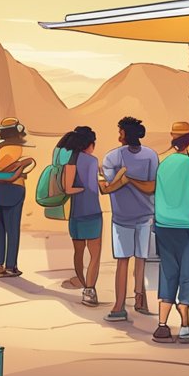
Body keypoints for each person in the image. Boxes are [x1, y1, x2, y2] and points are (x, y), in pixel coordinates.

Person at [60, 126, 126, 307]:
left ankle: (81, 280)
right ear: (90, 144)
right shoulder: (93, 161)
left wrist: (78, 190)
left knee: (79, 252)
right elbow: (101, 186)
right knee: (95, 255)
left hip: (76, 213)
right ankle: (89, 290)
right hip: (93, 213)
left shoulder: (70, 162)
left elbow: (67, 189)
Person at [153, 121, 189, 344]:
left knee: (167, 272)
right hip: (185, 226)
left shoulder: (163, 164)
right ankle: (184, 326)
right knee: (188, 273)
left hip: (163, 226)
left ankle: (162, 326)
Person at [102, 116, 159, 323]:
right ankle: (139, 300)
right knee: (140, 259)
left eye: (120, 132)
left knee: (123, 261)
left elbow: (109, 186)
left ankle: (119, 306)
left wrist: (125, 179)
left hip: (122, 216)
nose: (119, 135)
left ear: (124, 134)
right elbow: (152, 185)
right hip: (145, 214)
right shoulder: (151, 155)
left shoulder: (112, 157)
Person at [0, 117, 34, 278]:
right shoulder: (14, 148)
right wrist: (23, 165)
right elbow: (7, 172)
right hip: (13, 190)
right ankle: (11, 266)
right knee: (12, 230)